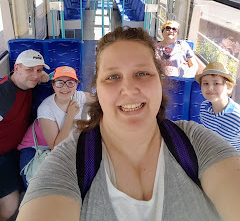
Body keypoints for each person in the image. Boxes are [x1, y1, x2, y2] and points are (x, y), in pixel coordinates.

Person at [17, 27, 240, 221]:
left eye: (142, 73)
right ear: (98, 90)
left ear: (160, 82)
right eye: (113, 77)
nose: (129, 89)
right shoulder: (70, 161)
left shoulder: (195, 143)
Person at [18, 66, 92, 188]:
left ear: (76, 84)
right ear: (53, 85)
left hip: (63, 147)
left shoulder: (79, 97)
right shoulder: (46, 108)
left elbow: (101, 99)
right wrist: (70, 116)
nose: (65, 87)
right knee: (40, 189)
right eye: (59, 83)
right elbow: (56, 147)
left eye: (70, 82)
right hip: (35, 150)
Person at [0, 49, 49, 221]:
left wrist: (45, 76)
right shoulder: (4, 95)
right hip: (2, 155)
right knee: (9, 208)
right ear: (16, 68)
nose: (35, 75)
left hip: (14, 150)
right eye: (30, 70)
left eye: (39, 70)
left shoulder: (26, 83)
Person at [195, 61, 240, 151]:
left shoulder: (237, 116)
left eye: (216, 83)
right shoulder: (204, 107)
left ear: (229, 87)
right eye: (205, 83)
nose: (210, 88)